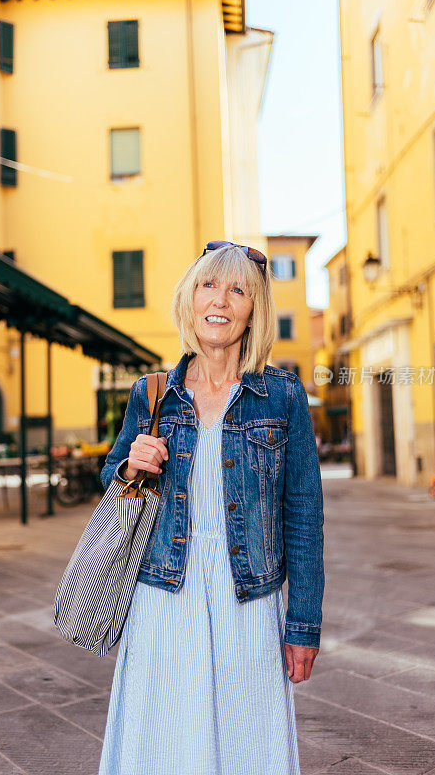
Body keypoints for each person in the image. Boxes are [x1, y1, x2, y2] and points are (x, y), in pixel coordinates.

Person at [98, 240, 325, 775]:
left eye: (237, 289)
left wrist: (304, 624)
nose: (219, 300)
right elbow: (112, 483)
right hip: (163, 596)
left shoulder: (283, 397)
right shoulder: (153, 394)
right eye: (208, 285)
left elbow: (304, 517)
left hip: (247, 597)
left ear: (254, 310)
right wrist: (132, 466)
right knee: (164, 742)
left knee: (247, 742)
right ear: (190, 299)